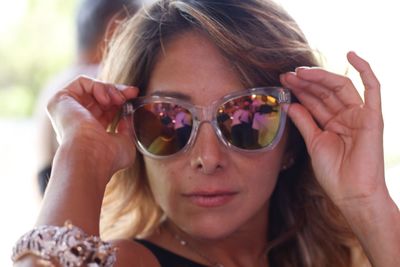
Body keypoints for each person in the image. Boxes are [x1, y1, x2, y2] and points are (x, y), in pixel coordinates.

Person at [13, 0, 399, 266]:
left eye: (248, 117)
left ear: (292, 143)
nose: (208, 158)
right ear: (134, 137)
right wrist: (81, 154)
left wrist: (367, 202)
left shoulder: (342, 254)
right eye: (167, 120)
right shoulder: (130, 261)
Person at [34, 0, 140, 195]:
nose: (141, 45)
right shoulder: (101, 82)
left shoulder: (55, 84)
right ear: (115, 28)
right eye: (136, 31)